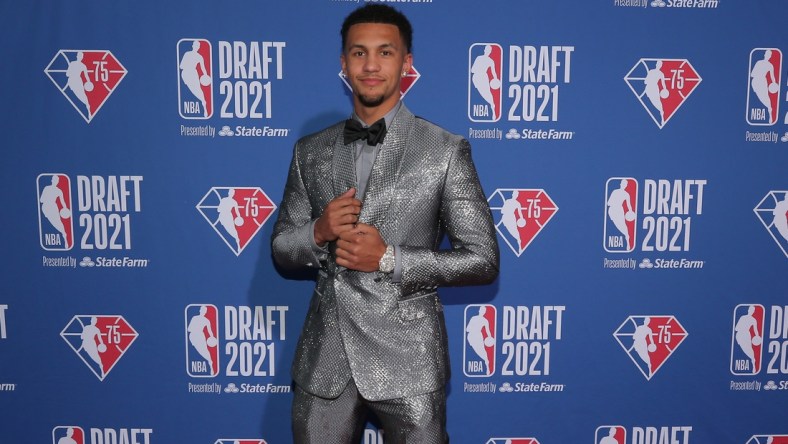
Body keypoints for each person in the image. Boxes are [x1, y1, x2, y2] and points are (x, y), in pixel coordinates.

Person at [271, 5, 499, 443]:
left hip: (409, 358)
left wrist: (390, 258)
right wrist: (317, 232)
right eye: (358, 53)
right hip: (326, 360)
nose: (371, 65)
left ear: (407, 62)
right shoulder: (310, 150)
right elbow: (282, 248)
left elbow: (483, 259)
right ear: (343, 63)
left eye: (385, 52)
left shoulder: (445, 150)